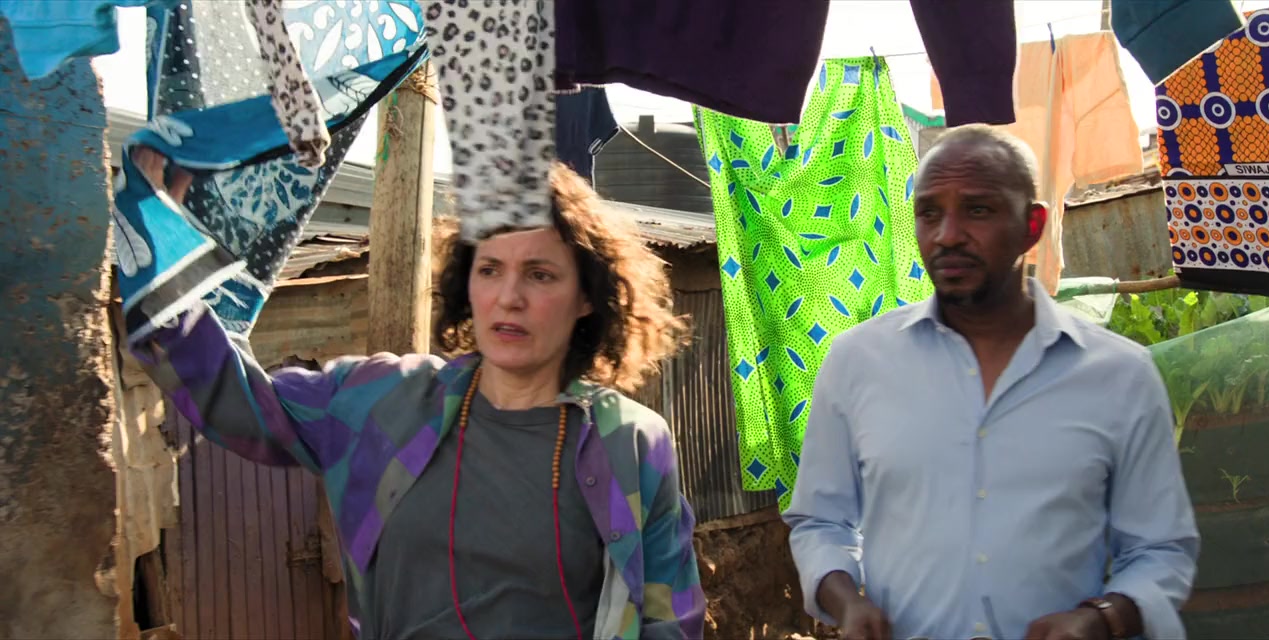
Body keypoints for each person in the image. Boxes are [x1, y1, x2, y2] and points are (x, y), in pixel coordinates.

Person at [129, 160, 706, 640]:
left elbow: (669, 619)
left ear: (587, 297)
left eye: (540, 274)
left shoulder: (629, 443)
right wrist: (158, 240)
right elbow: (237, 401)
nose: (509, 297)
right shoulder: (380, 400)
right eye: (490, 269)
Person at [783, 125, 1199, 640]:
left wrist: (1102, 617)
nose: (947, 235)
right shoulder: (856, 362)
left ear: (1032, 226)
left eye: (977, 210)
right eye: (929, 213)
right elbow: (820, 521)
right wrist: (847, 602)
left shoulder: (1119, 376)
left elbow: (1160, 551)